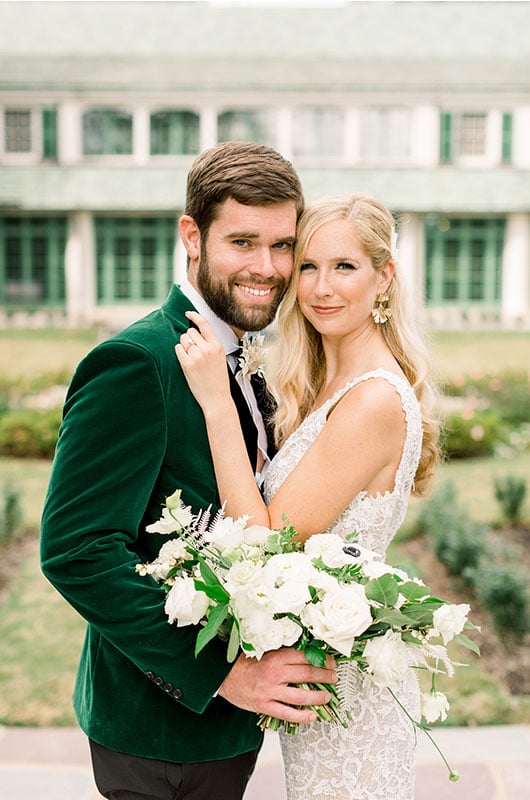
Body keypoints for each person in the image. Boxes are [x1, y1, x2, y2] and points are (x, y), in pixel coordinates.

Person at [40, 141, 338, 800]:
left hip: (229, 733)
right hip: (155, 733)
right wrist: (224, 675)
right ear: (192, 237)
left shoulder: (250, 358)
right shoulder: (136, 362)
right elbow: (76, 550)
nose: (268, 268)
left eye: (283, 245)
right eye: (243, 242)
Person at [175, 193, 440, 800]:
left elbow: (267, 541)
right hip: (323, 682)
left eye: (345, 267)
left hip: (350, 695)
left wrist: (217, 402)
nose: (322, 287)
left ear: (384, 277)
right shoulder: (325, 381)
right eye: (310, 267)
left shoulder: (372, 399)